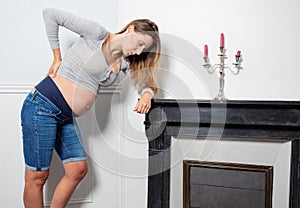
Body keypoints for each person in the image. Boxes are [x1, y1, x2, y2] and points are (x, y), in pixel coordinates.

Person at [20, 8, 161, 208]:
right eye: (139, 43)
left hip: (64, 116)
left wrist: (147, 94)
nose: (138, 52)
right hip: (42, 106)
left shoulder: (123, 63)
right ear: (131, 29)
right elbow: (50, 14)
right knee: (37, 177)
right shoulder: (97, 34)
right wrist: (57, 57)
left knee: (77, 169)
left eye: (142, 50)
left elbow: (144, 83)